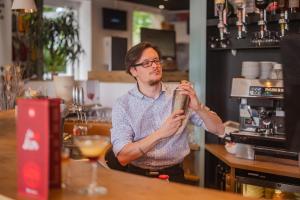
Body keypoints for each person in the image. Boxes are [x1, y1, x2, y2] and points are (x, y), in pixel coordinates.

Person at [111, 42, 224, 183]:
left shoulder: (180, 96)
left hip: (175, 176)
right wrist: (161, 133)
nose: (155, 65)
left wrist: (198, 107)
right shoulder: (123, 105)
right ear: (133, 71)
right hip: (137, 178)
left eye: (156, 60)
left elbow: (219, 129)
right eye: (146, 63)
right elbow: (123, 156)